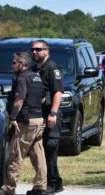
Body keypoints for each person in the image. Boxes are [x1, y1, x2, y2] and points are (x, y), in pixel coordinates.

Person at [0, 52, 47, 195]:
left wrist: (14, 118)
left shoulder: (22, 78)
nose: (12, 65)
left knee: (16, 154)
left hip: (26, 122)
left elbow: (19, 100)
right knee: (38, 154)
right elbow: (42, 99)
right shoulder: (36, 77)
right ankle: (41, 186)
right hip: (38, 120)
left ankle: (9, 188)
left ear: (22, 64)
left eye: (14, 63)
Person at [31, 40, 64, 194]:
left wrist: (53, 113)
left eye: (38, 49)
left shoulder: (52, 68)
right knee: (40, 149)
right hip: (37, 115)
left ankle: (51, 182)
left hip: (50, 114)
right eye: (33, 49)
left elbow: (58, 92)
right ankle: (55, 181)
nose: (35, 52)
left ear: (47, 51)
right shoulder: (34, 69)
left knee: (50, 146)